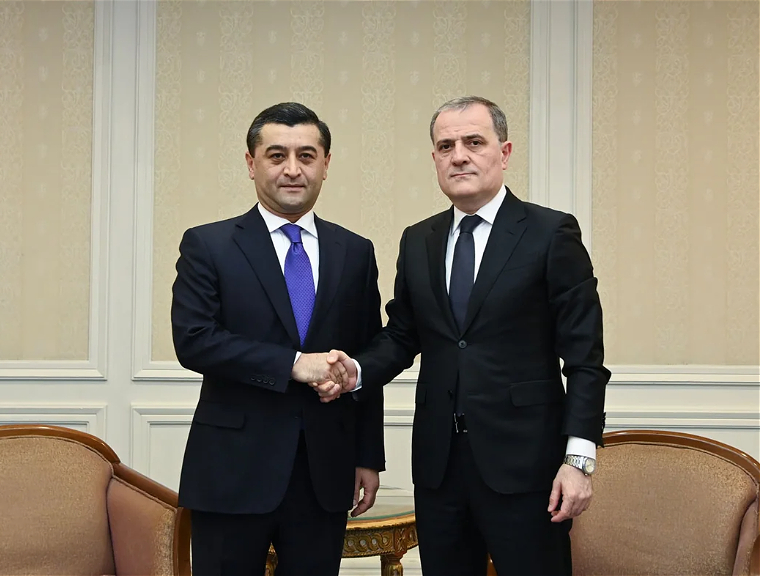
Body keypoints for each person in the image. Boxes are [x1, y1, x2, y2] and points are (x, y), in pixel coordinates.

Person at [316, 96, 609, 576]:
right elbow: (403, 335)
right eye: (446, 146)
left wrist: (578, 462)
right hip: (439, 466)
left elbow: (585, 360)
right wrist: (356, 371)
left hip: (526, 466)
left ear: (504, 152)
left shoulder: (550, 233)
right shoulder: (418, 240)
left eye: (474, 142)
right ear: (434, 158)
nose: (459, 156)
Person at [171, 102, 385, 576]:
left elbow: (367, 358)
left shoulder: (355, 251)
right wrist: (294, 363)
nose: (292, 169)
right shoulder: (208, 245)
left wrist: (368, 456)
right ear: (252, 164)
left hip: (324, 473)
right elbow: (195, 339)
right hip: (232, 471)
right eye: (276, 155)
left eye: (306, 155)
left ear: (325, 164)